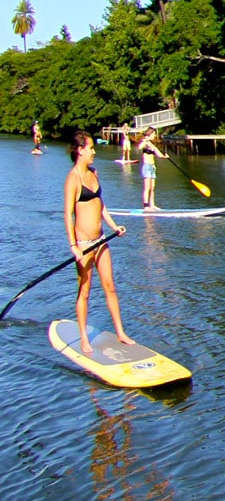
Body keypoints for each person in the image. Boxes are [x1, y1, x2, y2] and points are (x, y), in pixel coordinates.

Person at [63, 130, 131, 354]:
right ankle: (84, 338)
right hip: (84, 244)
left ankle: (120, 333)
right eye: (90, 148)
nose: (94, 151)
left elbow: (101, 205)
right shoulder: (73, 179)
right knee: (84, 290)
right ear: (80, 150)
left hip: (101, 240)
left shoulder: (94, 172)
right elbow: (68, 215)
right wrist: (74, 246)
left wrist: (114, 226)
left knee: (110, 286)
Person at [138, 127, 168, 209]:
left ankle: (152, 205)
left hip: (152, 167)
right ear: (150, 134)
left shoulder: (152, 145)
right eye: (154, 134)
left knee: (152, 187)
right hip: (147, 167)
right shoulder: (145, 143)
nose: (155, 135)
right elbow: (140, 147)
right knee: (147, 187)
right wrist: (145, 141)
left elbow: (159, 154)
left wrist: (165, 156)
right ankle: (146, 205)